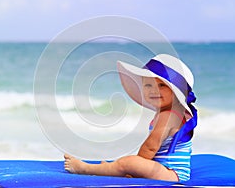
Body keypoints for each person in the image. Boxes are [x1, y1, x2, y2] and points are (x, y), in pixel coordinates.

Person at [64, 54, 197, 182]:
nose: (153, 90)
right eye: (148, 85)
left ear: (177, 92)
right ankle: (110, 168)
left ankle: (87, 169)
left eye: (162, 85)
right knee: (128, 162)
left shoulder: (169, 116)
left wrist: (135, 168)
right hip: (163, 169)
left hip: (172, 174)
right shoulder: (167, 112)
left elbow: (151, 147)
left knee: (128, 162)